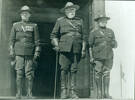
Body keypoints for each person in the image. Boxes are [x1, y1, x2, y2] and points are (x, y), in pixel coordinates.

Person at [51, 2, 87, 99]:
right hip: (64, 48)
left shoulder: (80, 21)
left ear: (75, 11)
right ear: (65, 11)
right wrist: (56, 45)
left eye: (73, 10)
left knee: (74, 70)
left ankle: (73, 92)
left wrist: (83, 49)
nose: (71, 11)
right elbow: (53, 35)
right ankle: (64, 91)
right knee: (64, 69)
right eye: (69, 10)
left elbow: (84, 36)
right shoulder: (60, 21)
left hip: (76, 48)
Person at [9, 5, 41, 99]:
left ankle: (29, 94)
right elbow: (11, 40)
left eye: (26, 14)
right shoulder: (15, 25)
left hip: (30, 53)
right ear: (20, 15)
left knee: (29, 74)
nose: (25, 15)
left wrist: (37, 52)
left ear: (29, 15)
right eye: (23, 14)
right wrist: (11, 50)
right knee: (19, 73)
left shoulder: (34, 26)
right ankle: (18, 93)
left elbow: (37, 41)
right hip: (18, 53)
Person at [89, 15, 117, 99]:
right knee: (98, 73)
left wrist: (114, 43)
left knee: (107, 74)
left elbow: (114, 44)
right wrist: (91, 57)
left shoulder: (110, 31)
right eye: (101, 20)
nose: (103, 22)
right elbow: (90, 46)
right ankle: (99, 93)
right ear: (98, 22)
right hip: (98, 56)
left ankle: (106, 93)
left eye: (105, 20)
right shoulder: (93, 32)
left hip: (108, 55)